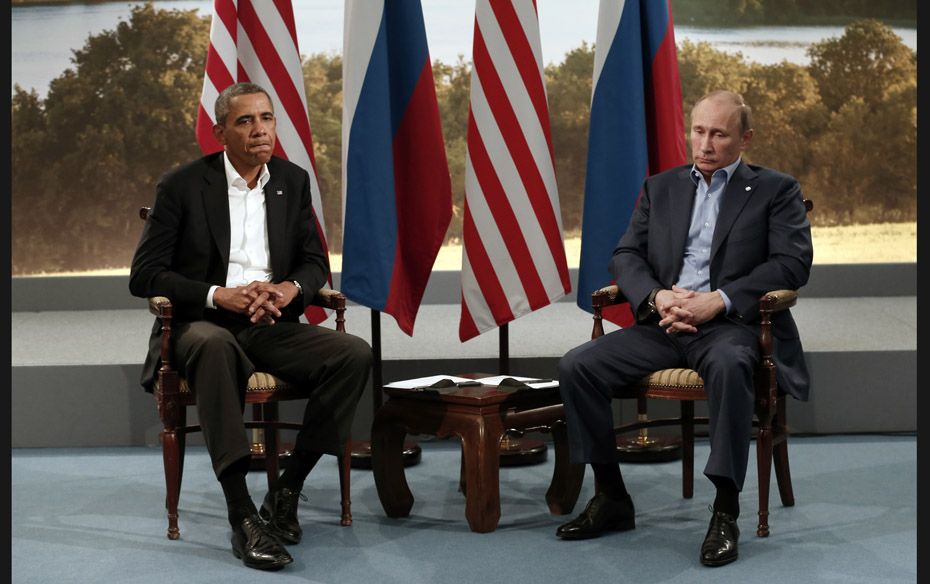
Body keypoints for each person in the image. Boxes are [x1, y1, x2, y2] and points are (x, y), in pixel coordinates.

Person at [556, 90, 812, 566]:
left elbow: (792, 265)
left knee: (732, 366)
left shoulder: (776, 189)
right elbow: (627, 255)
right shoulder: (662, 187)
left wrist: (718, 300)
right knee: (577, 366)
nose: (705, 143)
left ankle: (725, 509)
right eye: (698, 131)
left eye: (719, 134)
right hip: (664, 323)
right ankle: (612, 496)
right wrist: (659, 298)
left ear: (745, 138)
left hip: (731, 326)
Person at [130, 82, 371, 571]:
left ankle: (287, 489)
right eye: (245, 121)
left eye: (266, 118)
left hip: (269, 322)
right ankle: (241, 513)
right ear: (220, 131)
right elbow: (145, 275)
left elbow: (312, 263)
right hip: (203, 324)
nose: (260, 130)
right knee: (216, 347)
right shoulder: (181, 186)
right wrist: (219, 294)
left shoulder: (292, 180)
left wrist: (286, 291)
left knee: (353, 354)